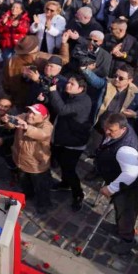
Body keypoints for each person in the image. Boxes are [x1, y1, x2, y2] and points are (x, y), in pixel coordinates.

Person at [94, 113, 138, 255]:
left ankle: (127, 240)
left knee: (126, 213)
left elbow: (130, 174)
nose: (107, 132)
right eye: (106, 128)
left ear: (123, 129)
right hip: (119, 177)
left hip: (129, 187)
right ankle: (119, 228)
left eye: (111, 130)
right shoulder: (118, 130)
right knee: (119, 208)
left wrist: (111, 188)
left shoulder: (125, 149)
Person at [48, 75, 93, 211]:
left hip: (74, 143)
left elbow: (62, 110)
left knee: (69, 168)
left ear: (81, 88)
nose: (68, 85)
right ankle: (65, 183)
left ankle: (78, 194)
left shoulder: (83, 102)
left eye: (72, 84)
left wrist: (52, 90)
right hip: (64, 138)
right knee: (62, 163)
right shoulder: (72, 95)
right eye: (68, 82)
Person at [10, 103, 54, 214]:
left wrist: (26, 127)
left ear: (43, 116)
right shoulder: (24, 117)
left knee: (41, 186)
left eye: (34, 113)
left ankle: (43, 204)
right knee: (24, 181)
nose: (30, 115)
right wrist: (7, 120)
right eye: (29, 111)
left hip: (37, 165)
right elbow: (13, 122)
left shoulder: (47, 126)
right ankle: (28, 194)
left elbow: (42, 134)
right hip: (21, 160)